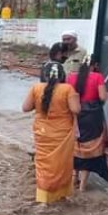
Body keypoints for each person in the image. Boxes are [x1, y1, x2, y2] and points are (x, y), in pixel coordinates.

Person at [23, 61, 81, 203]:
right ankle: (61, 194)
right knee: (63, 164)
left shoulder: (36, 88)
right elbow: (76, 110)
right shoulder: (68, 89)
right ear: (62, 75)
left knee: (43, 164)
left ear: (43, 74)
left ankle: (44, 197)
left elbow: (25, 108)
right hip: (62, 134)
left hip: (42, 133)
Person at [68, 56, 108, 187]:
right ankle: (83, 185)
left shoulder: (71, 77)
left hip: (75, 115)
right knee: (89, 149)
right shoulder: (98, 77)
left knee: (76, 146)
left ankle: (73, 179)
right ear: (94, 65)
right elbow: (103, 97)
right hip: (92, 117)